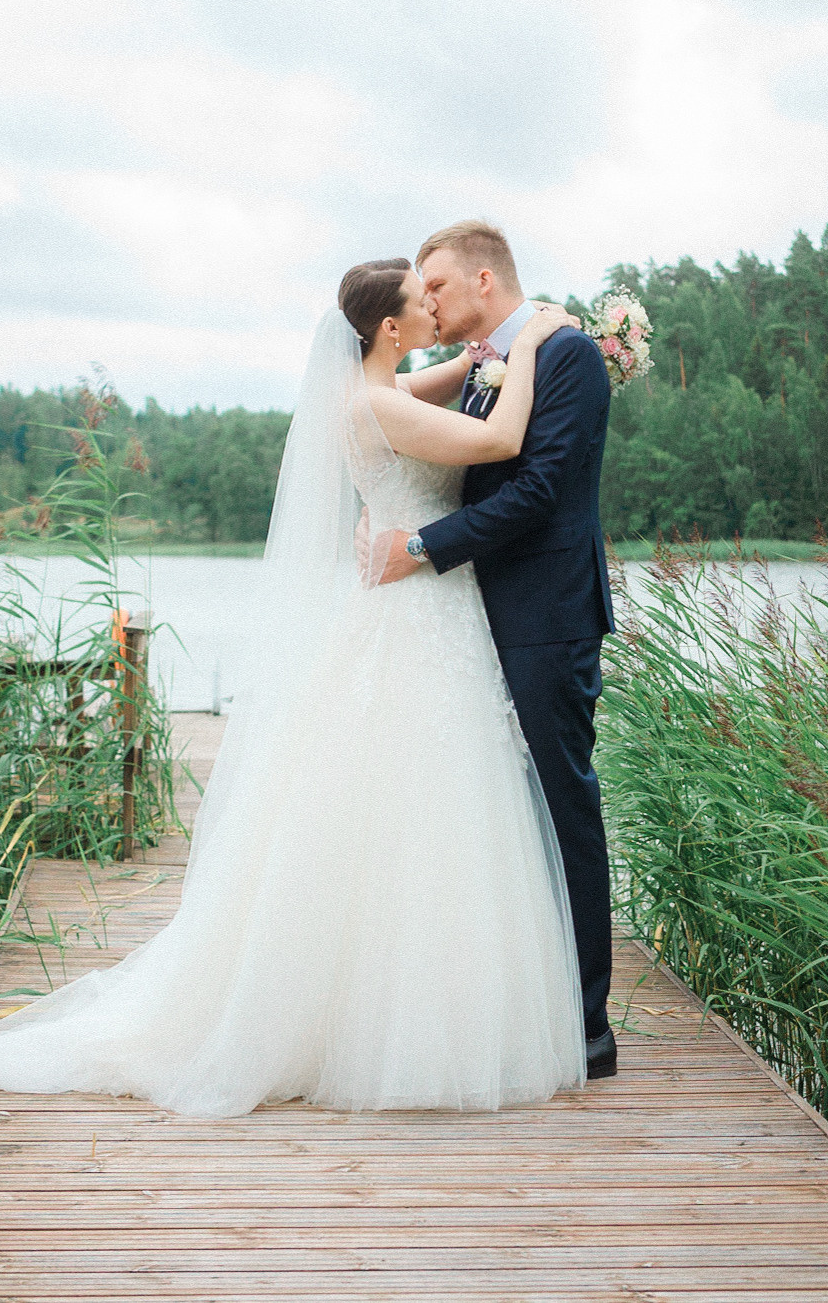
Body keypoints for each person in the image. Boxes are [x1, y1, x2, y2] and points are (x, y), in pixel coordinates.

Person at [0, 253, 588, 1150]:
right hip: (413, 616)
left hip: (413, 613)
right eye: (420, 301)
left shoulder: (375, 388)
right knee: (416, 807)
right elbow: (506, 441)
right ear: (388, 328)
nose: (436, 307)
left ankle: (399, 1011)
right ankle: (382, 1031)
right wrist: (540, 340)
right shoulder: (378, 406)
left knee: (413, 811)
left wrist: (482, 360)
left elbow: (455, 376)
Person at [373, 219, 619, 1081]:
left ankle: (587, 1027)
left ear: (485, 279)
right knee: (507, 819)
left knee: (563, 808)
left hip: (549, 616)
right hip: (478, 620)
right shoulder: (487, 366)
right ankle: (525, 1007)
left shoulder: (568, 357)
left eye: (435, 286)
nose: (425, 300)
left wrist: (424, 546)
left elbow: (542, 491)